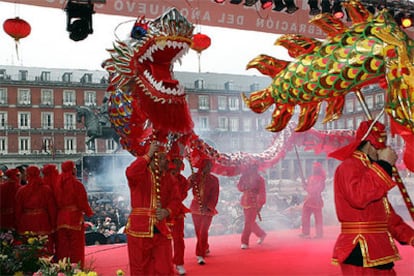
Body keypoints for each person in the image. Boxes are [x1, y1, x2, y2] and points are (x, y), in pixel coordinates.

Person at [328, 120, 414, 275]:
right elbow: (359, 197)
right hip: (359, 247)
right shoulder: (348, 166)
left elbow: (386, 216)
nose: (384, 150)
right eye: (379, 147)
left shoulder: (371, 170)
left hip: (379, 248)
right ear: (368, 144)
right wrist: (384, 164)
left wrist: (410, 236)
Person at [125, 142, 181, 275]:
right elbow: (130, 172)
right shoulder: (140, 175)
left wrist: (167, 211)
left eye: (164, 158)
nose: (163, 161)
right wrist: (148, 154)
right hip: (139, 228)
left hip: (161, 228)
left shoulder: (169, 178)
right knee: (140, 267)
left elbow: (176, 200)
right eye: (160, 157)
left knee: (165, 267)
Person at [54, 160, 94, 268]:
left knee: (63, 246)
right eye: (74, 167)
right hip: (74, 218)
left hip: (61, 218)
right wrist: (89, 212)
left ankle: (62, 268)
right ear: (72, 169)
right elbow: (82, 202)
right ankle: (76, 269)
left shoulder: (57, 184)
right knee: (76, 246)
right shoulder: (77, 184)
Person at [15, 166, 57, 254]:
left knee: (28, 249)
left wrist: (18, 224)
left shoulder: (21, 191)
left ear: (28, 176)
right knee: (44, 249)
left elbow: (18, 210)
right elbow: (52, 209)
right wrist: (53, 225)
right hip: (43, 221)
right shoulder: (46, 190)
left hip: (26, 222)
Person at [188, 158, 219, 265]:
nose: (209, 167)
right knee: (198, 232)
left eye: (210, 165)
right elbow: (185, 188)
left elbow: (215, 196)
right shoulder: (195, 177)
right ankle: (205, 246)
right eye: (206, 165)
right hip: (195, 207)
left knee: (203, 231)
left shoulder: (214, 179)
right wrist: (189, 180)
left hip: (207, 209)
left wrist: (209, 207)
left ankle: (200, 254)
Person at [168, 149, 190, 275]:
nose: (177, 164)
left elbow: (182, 195)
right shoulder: (163, 176)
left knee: (178, 239)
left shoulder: (182, 180)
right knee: (162, 240)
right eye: (175, 161)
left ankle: (179, 263)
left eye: (179, 161)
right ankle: (165, 262)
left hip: (177, 212)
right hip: (163, 213)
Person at [237, 163, 267, 249]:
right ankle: (261, 234)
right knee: (250, 222)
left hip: (254, 203)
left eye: (254, 167)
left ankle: (244, 241)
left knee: (248, 222)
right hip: (245, 201)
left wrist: (260, 203)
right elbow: (239, 187)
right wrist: (243, 186)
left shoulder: (260, 179)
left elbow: (262, 192)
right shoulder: (244, 177)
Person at [299, 162, 326, 239]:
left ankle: (319, 234)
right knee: (305, 216)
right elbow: (308, 187)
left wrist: (307, 188)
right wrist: (304, 184)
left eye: (315, 168)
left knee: (318, 218)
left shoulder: (321, 179)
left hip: (316, 200)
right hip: (309, 199)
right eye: (313, 168)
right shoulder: (311, 177)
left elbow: (315, 189)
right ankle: (305, 232)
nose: (313, 169)